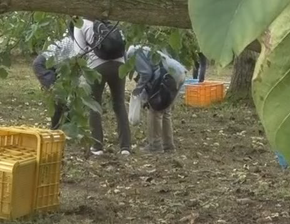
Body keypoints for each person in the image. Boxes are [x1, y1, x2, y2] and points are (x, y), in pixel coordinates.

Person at [72, 19, 129, 156]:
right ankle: (125, 147)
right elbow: (123, 46)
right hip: (119, 65)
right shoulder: (111, 22)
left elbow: (79, 52)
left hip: (96, 67)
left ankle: (97, 147)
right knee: (119, 104)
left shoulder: (80, 23)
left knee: (94, 104)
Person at [126, 44, 186, 153]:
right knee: (165, 110)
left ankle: (155, 146)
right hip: (179, 72)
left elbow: (146, 73)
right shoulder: (145, 49)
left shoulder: (133, 54)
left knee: (155, 110)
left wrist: (137, 91)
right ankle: (168, 145)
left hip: (168, 76)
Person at [31, 33, 80, 129]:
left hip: (54, 66)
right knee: (59, 98)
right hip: (43, 65)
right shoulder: (75, 43)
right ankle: (56, 128)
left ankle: (64, 127)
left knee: (66, 98)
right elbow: (71, 65)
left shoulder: (75, 40)